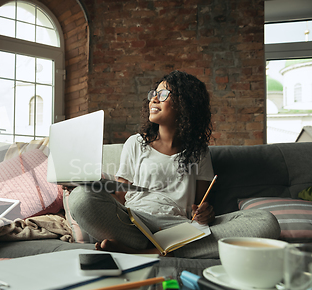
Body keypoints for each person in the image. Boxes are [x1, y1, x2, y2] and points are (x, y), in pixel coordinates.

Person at [68, 70, 280, 258]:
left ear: (184, 104)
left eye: (162, 95)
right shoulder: (135, 143)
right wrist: (93, 187)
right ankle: (159, 249)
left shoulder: (198, 152)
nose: (154, 100)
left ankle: (143, 252)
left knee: (265, 222)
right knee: (79, 198)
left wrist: (205, 213)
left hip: (179, 227)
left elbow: (198, 207)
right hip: (134, 223)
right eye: (153, 94)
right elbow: (122, 198)